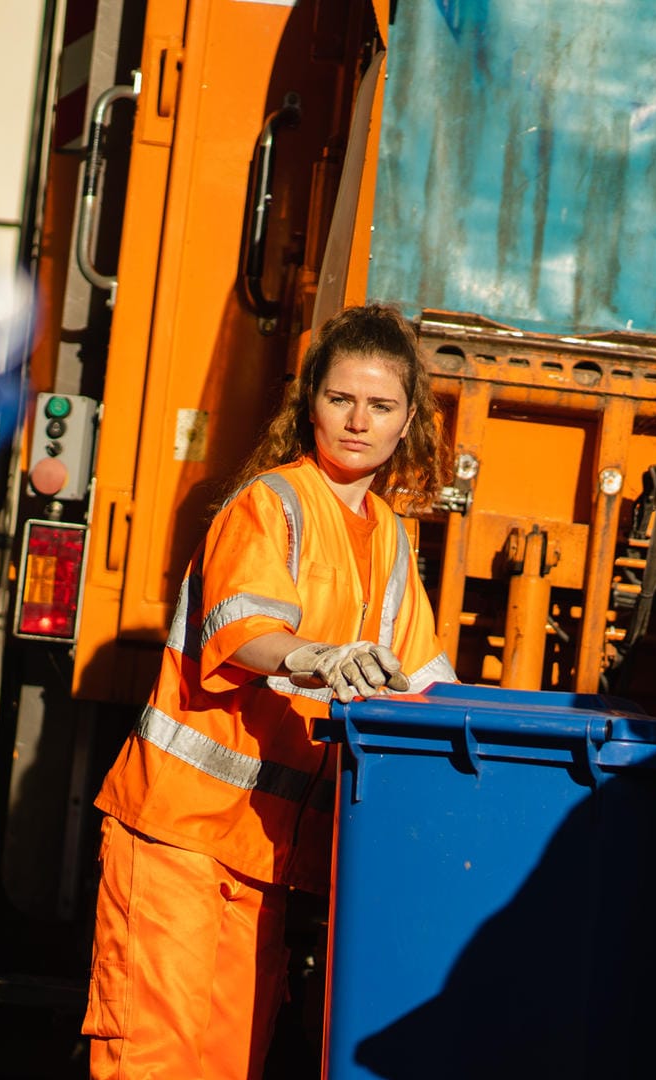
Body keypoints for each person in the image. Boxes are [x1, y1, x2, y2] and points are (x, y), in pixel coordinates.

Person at [80, 304, 457, 1079]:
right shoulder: (271, 502)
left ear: (406, 420)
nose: (358, 421)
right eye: (340, 399)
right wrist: (316, 656)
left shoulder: (389, 539)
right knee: (154, 1063)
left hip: (266, 858)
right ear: (309, 399)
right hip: (178, 839)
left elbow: (428, 682)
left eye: (380, 405)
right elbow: (244, 631)